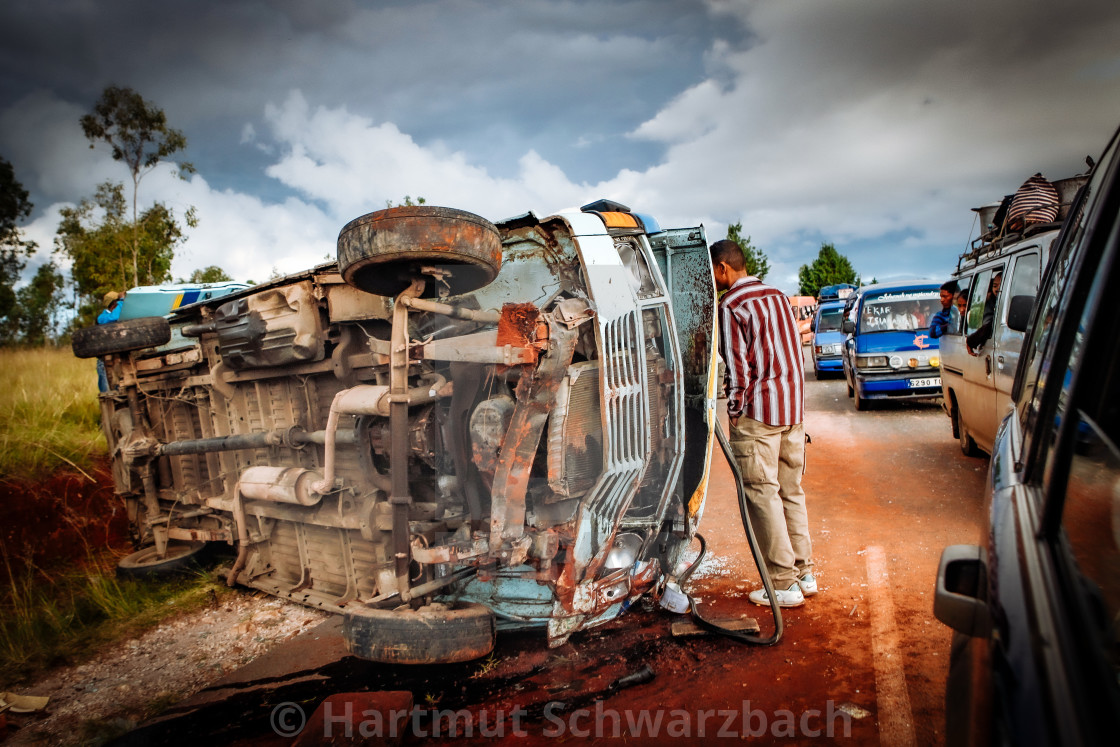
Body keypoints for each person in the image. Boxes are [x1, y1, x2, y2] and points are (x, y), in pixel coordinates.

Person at [710, 239, 815, 608]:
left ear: (724, 268)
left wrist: (734, 410)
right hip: (793, 412)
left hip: (760, 414)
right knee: (791, 491)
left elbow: (738, 368)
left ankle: (783, 584)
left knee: (761, 493)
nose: (715, 278)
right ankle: (805, 573)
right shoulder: (778, 296)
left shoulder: (732, 305)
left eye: (715, 271)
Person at [96, 290, 125, 392]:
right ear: (114, 304)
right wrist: (122, 300)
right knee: (107, 393)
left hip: (116, 360)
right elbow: (114, 317)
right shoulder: (102, 318)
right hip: (105, 362)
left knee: (119, 389)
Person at [966, 271, 1002, 353]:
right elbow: (988, 324)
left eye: (1001, 285)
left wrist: (972, 341)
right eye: (995, 286)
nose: (997, 289)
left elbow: (992, 324)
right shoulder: (989, 304)